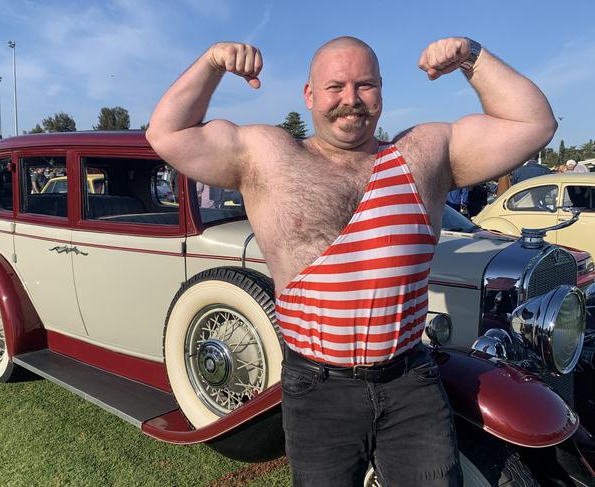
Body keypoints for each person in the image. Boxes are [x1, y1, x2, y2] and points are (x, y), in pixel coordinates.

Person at [146, 36, 556, 486]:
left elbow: (533, 123)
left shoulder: (424, 153)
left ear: (382, 91)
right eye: (334, 87)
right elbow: (167, 133)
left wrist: (473, 58)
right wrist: (212, 63)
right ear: (309, 95)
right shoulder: (268, 156)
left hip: (409, 383)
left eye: (364, 85)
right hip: (317, 388)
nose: (350, 100)